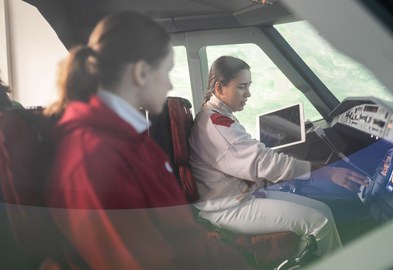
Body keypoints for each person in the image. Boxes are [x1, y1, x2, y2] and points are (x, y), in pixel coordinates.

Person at [45, 12, 251, 270]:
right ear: (141, 73)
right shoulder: (94, 160)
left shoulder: (130, 137)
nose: (169, 84)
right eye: (166, 71)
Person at [189, 56, 369, 258]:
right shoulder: (216, 124)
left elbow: (249, 156)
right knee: (320, 223)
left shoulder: (218, 115)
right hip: (228, 207)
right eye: (241, 87)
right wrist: (327, 172)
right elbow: (264, 163)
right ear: (219, 88)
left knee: (324, 210)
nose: (248, 93)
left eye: (249, 86)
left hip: (241, 195)